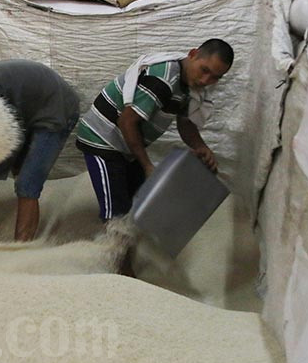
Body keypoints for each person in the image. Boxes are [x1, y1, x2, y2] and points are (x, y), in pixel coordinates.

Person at [76, 39, 234, 224]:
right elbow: (127, 122)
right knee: (116, 215)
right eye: (204, 70)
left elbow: (185, 123)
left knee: (140, 203)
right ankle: (114, 248)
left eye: (215, 77)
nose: (206, 80)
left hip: (125, 144)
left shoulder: (189, 86)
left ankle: (132, 247)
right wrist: (147, 166)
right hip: (102, 138)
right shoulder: (162, 80)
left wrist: (201, 146)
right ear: (192, 54)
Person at [0, 59, 80, 241]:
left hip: (56, 108)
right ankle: (24, 236)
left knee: (27, 184)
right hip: (30, 108)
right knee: (20, 172)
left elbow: (13, 138)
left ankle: (21, 249)